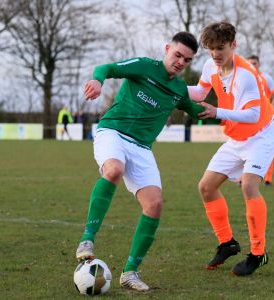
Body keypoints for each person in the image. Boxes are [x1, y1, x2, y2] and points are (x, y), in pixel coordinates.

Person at [76, 31, 204, 292]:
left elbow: (196, 110)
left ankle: (130, 273)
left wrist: (225, 111)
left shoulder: (179, 89)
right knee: (113, 169)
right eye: (177, 54)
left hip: (142, 148)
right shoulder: (145, 67)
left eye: (187, 60)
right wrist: (98, 81)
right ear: (167, 48)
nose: (180, 62)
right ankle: (87, 239)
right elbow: (107, 67)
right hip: (112, 132)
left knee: (154, 204)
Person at [188, 21, 274, 276]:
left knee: (249, 185)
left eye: (221, 48)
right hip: (236, 139)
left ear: (233, 45)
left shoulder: (247, 74)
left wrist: (216, 111)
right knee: (206, 187)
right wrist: (169, 89)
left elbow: (252, 114)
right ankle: (227, 243)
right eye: (211, 49)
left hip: (260, 136)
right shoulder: (210, 66)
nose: (216, 54)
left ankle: (258, 254)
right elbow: (198, 92)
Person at [247, 54, 274, 186]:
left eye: (254, 63)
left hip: (265, 120)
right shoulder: (245, 77)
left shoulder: (266, 78)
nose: (252, 66)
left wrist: (270, 107)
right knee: (246, 147)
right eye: (250, 63)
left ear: (258, 64)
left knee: (267, 147)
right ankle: (241, 177)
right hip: (249, 119)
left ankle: (268, 178)